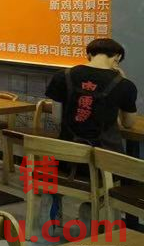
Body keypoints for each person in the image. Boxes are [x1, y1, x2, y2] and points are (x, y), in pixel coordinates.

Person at [44, 38, 138, 227]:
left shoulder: (62, 76)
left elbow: (56, 118)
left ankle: (54, 205)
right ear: (117, 58)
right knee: (119, 171)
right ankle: (94, 209)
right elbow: (129, 123)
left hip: (66, 159)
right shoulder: (124, 85)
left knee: (63, 164)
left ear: (88, 54)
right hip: (103, 166)